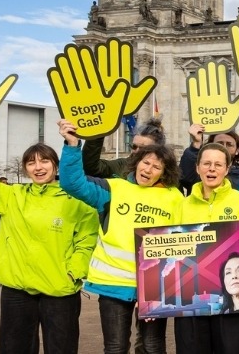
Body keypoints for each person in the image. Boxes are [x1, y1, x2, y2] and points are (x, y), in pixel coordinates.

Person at [57, 119, 184, 354]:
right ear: (136, 163)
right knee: (115, 347)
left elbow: (192, 235)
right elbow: (72, 183)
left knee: (153, 346)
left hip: (155, 285)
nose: (148, 170)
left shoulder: (175, 197)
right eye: (145, 163)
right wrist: (73, 144)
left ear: (165, 172)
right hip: (114, 284)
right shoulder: (113, 188)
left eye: (157, 167)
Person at [0, 142, 98, 354]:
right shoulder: (11, 195)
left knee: (62, 348)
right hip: (17, 289)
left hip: (59, 289)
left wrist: (74, 272)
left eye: (44, 161)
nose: (38, 167)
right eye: (31, 163)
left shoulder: (78, 200)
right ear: (25, 168)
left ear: (56, 166)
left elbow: (87, 240)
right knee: (14, 348)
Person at [175, 142, 239, 354]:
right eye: (207, 163)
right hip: (191, 298)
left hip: (232, 299)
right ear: (197, 168)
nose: (212, 168)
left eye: (218, 164)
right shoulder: (181, 205)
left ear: (227, 169)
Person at [82, 116, 166, 178]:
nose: (136, 151)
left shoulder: (167, 175)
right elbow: (91, 167)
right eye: (134, 146)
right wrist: (99, 130)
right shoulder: (121, 166)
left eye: (144, 149)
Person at [179, 125, 239, 194]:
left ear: (237, 150)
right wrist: (196, 143)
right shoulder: (201, 173)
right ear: (210, 146)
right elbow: (185, 177)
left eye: (229, 145)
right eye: (219, 143)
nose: (224, 147)